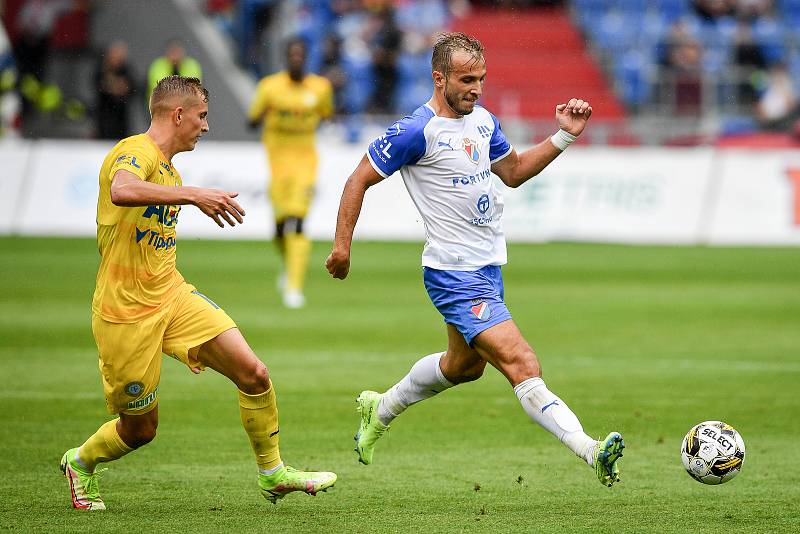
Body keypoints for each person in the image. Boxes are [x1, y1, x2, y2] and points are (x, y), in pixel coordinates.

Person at [325, 32, 624, 487]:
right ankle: (590, 450)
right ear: (438, 77)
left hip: (487, 267)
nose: (476, 88)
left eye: (481, 79)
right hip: (453, 274)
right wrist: (342, 246)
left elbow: (515, 173)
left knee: (463, 367)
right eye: (466, 79)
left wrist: (564, 134)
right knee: (522, 363)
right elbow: (357, 179)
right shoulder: (414, 131)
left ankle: (379, 409)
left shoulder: (483, 121)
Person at [60, 75, 336, 511]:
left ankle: (273, 473)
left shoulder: (170, 169)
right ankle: (81, 462)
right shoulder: (135, 151)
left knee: (255, 373)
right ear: (179, 114)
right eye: (203, 116)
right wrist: (191, 196)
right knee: (140, 430)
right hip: (126, 313)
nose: (206, 127)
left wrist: (183, 192)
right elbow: (122, 189)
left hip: (172, 296)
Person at [248, 37, 333, 309]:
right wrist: (266, 114)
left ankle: (294, 288)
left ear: (306, 58)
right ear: (286, 58)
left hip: (305, 164)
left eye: (300, 54)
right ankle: (288, 266)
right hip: (277, 165)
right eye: (292, 54)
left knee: (296, 222)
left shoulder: (320, 88)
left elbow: (327, 115)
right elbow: (252, 120)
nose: (296, 58)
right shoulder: (269, 87)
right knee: (278, 230)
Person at [94, 41, 135, 140]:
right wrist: (113, 87)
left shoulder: (126, 70)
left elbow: (134, 89)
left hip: (121, 119)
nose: (117, 58)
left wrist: (125, 88)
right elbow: (98, 86)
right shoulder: (102, 70)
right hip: (105, 117)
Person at [146, 39, 202, 104]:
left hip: (186, 106)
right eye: (173, 52)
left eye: (177, 52)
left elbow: (194, 87)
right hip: (160, 105)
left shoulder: (191, 65)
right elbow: (159, 86)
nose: (175, 56)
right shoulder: (158, 65)